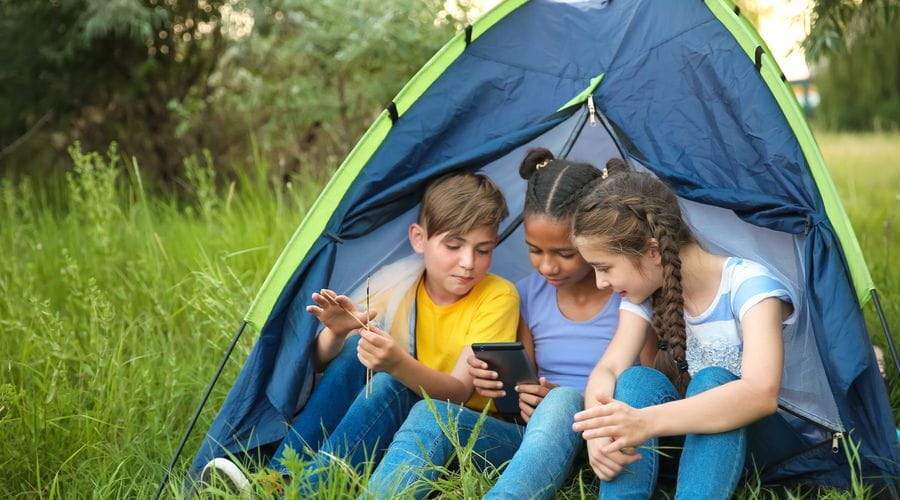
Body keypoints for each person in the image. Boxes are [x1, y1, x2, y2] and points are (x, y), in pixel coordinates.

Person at [201, 171, 520, 492]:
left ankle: (303, 492)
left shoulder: (497, 296)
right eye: (454, 245)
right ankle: (275, 480)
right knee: (359, 357)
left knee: (389, 383)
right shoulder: (398, 282)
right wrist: (337, 334)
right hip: (399, 417)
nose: (468, 262)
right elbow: (317, 364)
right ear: (418, 238)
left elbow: (459, 393)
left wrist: (397, 365)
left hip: (462, 430)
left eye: (483, 249)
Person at [365, 151, 653, 499]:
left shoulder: (629, 294)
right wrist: (509, 392)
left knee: (563, 400)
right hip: (535, 443)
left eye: (565, 253)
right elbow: (521, 393)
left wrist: (566, 403)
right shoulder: (526, 297)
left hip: (606, 435)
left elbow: (648, 383)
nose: (547, 267)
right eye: (534, 251)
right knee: (431, 414)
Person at [568, 170, 801, 498]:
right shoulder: (647, 291)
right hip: (696, 445)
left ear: (653, 252)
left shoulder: (749, 286)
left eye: (604, 267)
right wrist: (599, 430)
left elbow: (761, 394)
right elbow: (608, 368)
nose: (599, 283)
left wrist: (646, 422)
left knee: (712, 382)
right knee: (636, 380)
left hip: (771, 447)